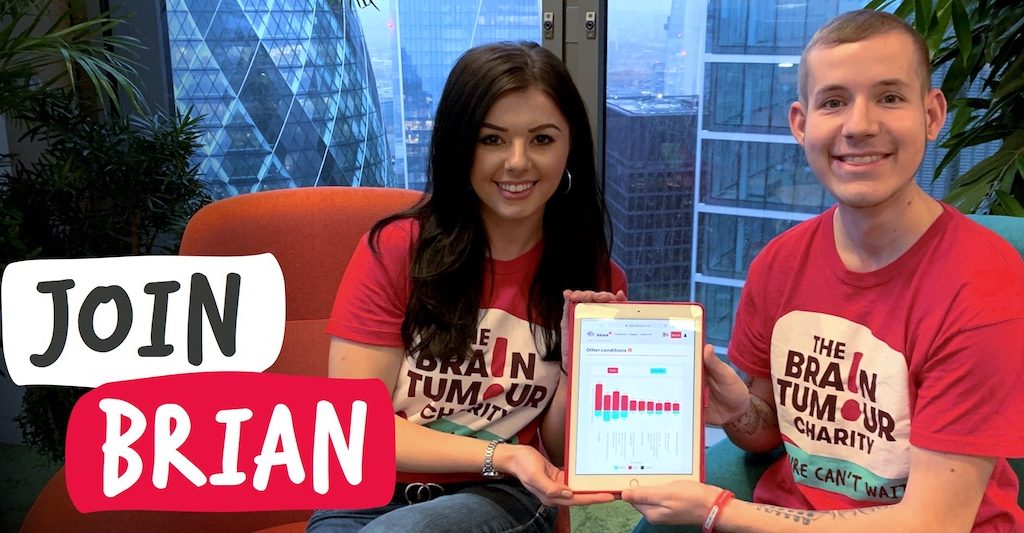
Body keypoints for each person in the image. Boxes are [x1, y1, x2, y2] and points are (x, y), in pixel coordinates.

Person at [622, 9, 1024, 532]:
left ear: (931, 114)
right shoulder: (781, 263)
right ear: (801, 123)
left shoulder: (983, 289)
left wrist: (719, 512)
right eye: (834, 102)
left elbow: (933, 523)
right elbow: (764, 433)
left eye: (889, 97)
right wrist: (737, 407)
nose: (860, 126)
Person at [306, 41, 625, 532]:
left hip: (500, 496)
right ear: (459, 146)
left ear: (570, 149)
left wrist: (578, 366)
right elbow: (359, 431)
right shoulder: (397, 250)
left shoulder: (592, 275)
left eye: (541, 140)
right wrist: (502, 454)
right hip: (369, 492)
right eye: (491, 140)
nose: (517, 163)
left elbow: (563, 450)